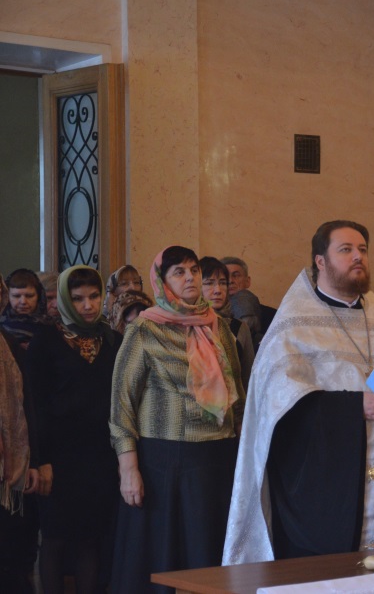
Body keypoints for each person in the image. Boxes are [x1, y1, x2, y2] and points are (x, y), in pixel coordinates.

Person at [223, 220, 374, 564]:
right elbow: (279, 408)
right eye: (346, 250)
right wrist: (354, 407)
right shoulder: (293, 326)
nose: (358, 257)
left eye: (362, 250)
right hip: (330, 491)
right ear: (320, 261)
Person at [109, 246, 245, 592]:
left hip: (216, 456)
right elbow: (122, 404)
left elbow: (237, 392)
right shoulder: (145, 328)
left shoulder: (218, 327)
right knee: (164, 557)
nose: (190, 278)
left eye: (194, 270)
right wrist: (128, 469)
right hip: (165, 460)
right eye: (179, 272)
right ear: (162, 281)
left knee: (207, 554)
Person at [25, 266, 121, 594]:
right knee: (55, 539)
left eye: (94, 296)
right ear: (65, 300)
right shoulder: (45, 342)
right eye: (78, 298)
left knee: (90, 539)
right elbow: (35, 406)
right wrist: (41, 460)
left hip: (100, 456)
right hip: (58, 457)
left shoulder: (112, 340)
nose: (88, 305)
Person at [0, 276, 42, 594]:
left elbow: (26, 405)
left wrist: (34, 461)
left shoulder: (7, 342)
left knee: (10, 558)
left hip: (8, 466)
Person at [200, 256, 255, 392]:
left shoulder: (239, 327)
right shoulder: (185, 324)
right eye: (209, 283)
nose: (218, 290)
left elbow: (248, 378)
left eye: (223, 283)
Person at [221, 256, 277, 350]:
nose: (230, 281)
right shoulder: (209, 314)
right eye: (225, 276)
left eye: (236, 275)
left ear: (247, 281)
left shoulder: (272, 316)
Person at [1, 269, 54, 350]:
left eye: (29, 296)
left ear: (39, 296)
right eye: (16, 296)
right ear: (7, 297)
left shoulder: (50, 325)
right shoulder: (2, 327)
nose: (23, 302)